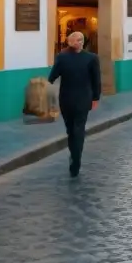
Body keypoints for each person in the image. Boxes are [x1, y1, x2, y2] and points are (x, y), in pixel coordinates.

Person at [48, 32, 101, 178]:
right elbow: (96, 80)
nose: (77, 42)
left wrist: (95, 97)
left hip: (74, 100)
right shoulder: (86, 58)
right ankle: (76, 157)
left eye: (78, 40)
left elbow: (52, 77)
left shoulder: (67, 57)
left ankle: (75, 158)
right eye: (75, 40)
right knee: (75, 130)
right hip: (75, 99)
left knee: (74, 130)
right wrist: (96, 98)